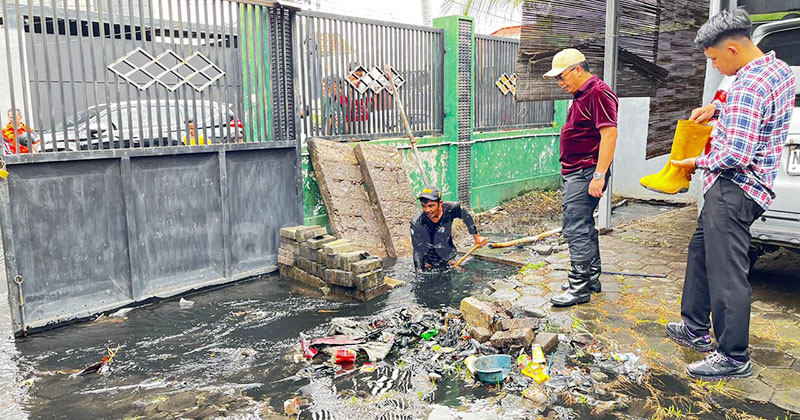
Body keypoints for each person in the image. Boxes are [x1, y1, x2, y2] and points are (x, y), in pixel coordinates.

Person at [666, 8, 795, 380]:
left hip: (734, 187)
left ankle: (733, 355)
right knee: (701, 252)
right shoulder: (776, 69)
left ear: (734, 49)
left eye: (715, 59)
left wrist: (692, 162)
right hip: (745, 187)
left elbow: (734, 154)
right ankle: (694, 327)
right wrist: (718, 107)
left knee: (726, 272)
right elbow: (758, 112)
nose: (715, 68)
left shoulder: (749, 84)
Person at [542, 48, 618, 307]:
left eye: (562, 77)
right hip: (578, 170)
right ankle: (590, 280)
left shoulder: (598, 93)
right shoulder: (582, 95)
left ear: (578, 69)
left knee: (574, 228)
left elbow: (609, 135)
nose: (560, 83)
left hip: (586, 171)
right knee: (584, 225)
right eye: (557, 80)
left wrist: (598, 175)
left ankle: (578, 288)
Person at [410, 185, 487, 271]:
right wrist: (419, 272)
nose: (427, 210)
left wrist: (476, 236)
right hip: (429, 260)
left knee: (463, 274)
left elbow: (466, 216)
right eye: (424, 206)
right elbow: (417, 251)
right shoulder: (417, 222)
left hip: (449, 257)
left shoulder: (452, 208)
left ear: (440, 203)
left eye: (431, 206)